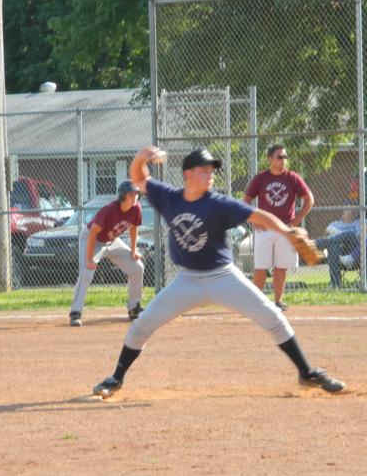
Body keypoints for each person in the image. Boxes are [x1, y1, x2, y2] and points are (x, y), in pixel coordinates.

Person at [91, 146, 345, 399]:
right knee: (142, 325)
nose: (211, 174)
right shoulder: (169, 198)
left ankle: (306, 372)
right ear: (188, 174)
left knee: (273, 317)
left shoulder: (219, 203)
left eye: (213, 170)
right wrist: (142, 156)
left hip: (223, 276)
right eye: (205, 169)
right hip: (187, 280)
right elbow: (138, 177)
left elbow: (259, 216)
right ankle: (116, 378)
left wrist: (287, 233)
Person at [243, 144, 314, 311]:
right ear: (270, 159)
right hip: (264, 228)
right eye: (280, 157)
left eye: (285, 157)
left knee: (281, 266)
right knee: (260, 266)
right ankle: (257, 302)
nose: (284, 160)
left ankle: (278, 301)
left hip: (285, 228)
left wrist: (297, 219)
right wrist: (254, 220)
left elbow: (309, 199)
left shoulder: (292, 178)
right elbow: (246, 200)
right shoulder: (261, 178)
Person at [69, 180, 145, 327]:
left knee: (137, 267)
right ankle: (75, 313)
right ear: (123, 196)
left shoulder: (136, 209)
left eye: (136, 193)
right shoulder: (110, 209)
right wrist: (90, 259)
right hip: (92, 240)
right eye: (131, 194)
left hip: (112, 241)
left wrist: (134, 250)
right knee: (87, 273)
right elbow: (92, 233)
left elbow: (134, 228)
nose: (135, 196)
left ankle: (134, 308)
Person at [314, 205, 365, 288]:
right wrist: (340, 237)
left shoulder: (359, 223)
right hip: (339, 253)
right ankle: (336, 284)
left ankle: (317, 243)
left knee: (350, 233)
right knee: (333, 246)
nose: (353, 211)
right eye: (350, 209)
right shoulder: (334, 224)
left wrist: (340, 235)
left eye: (355, 210)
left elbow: (360, 238)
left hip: (354, 252)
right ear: (343, 212)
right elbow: (326, 235)